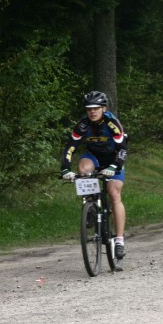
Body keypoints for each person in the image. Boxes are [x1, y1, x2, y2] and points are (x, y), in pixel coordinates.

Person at [61, 91, 128, 259]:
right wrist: (65, 169)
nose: (92, 112)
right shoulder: (82, 125)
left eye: (96, 108)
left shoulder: (112, 123)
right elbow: (70, 148)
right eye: (89, 109)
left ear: (103, 108)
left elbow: (123, 150)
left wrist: (114, 166)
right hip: (94, 158)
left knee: (114, 194)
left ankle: (119, 240)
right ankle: (90, 205)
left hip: (114, 159)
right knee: (83, 170)